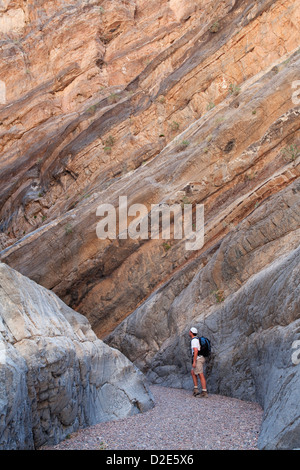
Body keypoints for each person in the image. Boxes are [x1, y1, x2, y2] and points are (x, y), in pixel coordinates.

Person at [189, 327, 208, 397]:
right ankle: (196, 389)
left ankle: (204, 392)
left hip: (198, 359)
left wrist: (194, 362)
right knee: (193, 372)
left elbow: (196, 351)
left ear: (191, 332)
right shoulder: (196, 339)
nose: (189, 332)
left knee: (200, 374)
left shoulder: (194, 341)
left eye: (189, 331)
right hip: (199, 358)